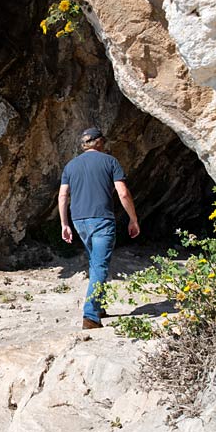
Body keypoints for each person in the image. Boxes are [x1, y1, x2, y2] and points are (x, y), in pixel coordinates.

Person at [58, 128, 140, 329]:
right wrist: (133, 219)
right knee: (100, 266)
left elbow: (62, 196)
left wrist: (64, 223)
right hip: (102, 219)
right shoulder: (110, 161)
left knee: (96, 263)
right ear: (100, 142)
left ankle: (99, 305)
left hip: (79, 221)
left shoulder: (71, 165)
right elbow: (123, 193)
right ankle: (91, 316)